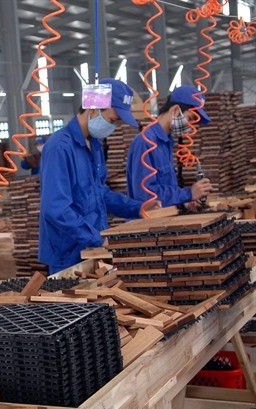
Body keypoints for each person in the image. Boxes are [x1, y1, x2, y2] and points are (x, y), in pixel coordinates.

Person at [39, 79, 158, 274]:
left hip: (92, 248)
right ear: (93, 109)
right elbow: (55, 208)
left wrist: (137, 208)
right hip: (68, 254)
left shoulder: (94, 146)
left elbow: (100, 194)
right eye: (112, 120)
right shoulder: (59, 148)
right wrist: (97, 238)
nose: (113, 127)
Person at [126, 85, 213, 211]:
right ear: (176, 110)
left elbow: (165, 188)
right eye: (190, 118)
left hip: (163, 220)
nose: (191, 127)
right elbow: (146, 196)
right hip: (147, 225)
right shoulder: (146, 143)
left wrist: (184, 202)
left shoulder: (166, 142)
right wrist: (188, 194)